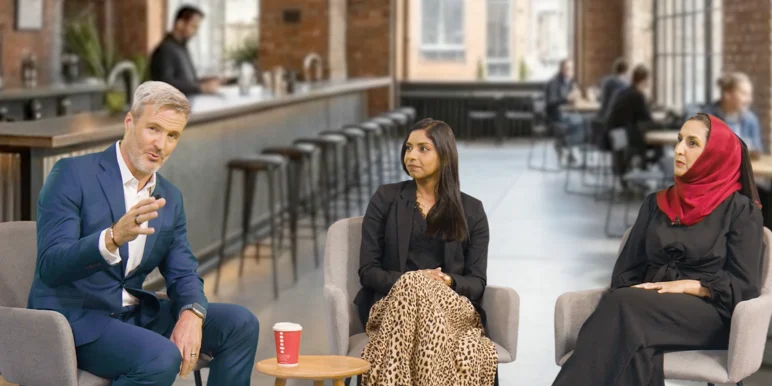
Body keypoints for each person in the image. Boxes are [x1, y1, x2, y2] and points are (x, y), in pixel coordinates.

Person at [29, 81, 259, 386]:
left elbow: (183, 273)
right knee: (161, 357)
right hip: (75, 320)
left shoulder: (169, 197)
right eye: (153, 129)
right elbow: (51, 265)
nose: (161, 145)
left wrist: (192, 313)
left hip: (132, 316)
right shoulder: (71, 174)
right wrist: (111, 238)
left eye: (172, 135)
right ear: (129, 122)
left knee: (240, 324)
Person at [552, 113, 764, 386]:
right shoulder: (656, 203)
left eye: (692, 143)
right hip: (645, 312)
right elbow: (625, 272)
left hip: (710, 316)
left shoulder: (741, 211)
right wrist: (648, 293)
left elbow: (744, 286)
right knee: (634, 345)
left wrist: (689, 285)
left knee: (622, 309)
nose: (678, 149)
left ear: (715, 155)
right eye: (679, 140)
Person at [355, 118, 497, 386]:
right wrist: (414, 282)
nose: (411, 156)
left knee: (423, 290)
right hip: (393, 307)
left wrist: (446, 281)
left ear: (444, 154)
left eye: (423, 149)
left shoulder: (472, 211)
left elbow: (477, 282)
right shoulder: (385, 198)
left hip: (450, 309)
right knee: (415, 285)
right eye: (408, 148)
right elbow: (368, 270)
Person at [149, 5, 220, 95]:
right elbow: (164, 84)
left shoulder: (182, 48)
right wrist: (200, 88)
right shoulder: (164, 50)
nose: (196, 32)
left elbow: (187, 81)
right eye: (193, 26)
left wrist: (205, 82)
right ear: (180, 24)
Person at [605, 64, 659, 180]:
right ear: (644, 80)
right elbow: (646, 118)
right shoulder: (637, 95)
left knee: (651, 135)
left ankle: (643, 168)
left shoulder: (624, 92)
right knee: (658, 142)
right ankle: (646, 169)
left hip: (615, 136)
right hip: (625, 138)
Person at [699, 72, 763, 153]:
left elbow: (757, 151)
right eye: (744, 94)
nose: (749, 99)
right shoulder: (705, 118)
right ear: (727, 94)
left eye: (749, 94)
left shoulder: (751, 119)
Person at [545, 59, 584, 164]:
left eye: (571, 68)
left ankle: (565, 146)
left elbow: (572, 99)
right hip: (554, 115)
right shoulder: (553, 82)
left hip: (566, 113)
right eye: (567, 68)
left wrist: (577, 97)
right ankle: (569, 148)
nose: (570, 71)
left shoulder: (571, 82)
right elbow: (551, 102)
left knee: (582, 120)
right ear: (561, 69)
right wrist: (567, 98)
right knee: (579, 122)